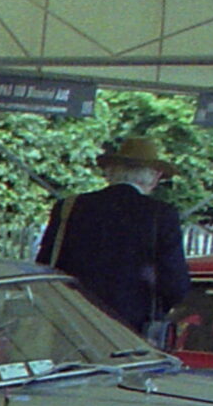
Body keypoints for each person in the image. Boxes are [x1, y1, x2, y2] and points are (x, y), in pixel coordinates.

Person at [36, 135, 192, 338]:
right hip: (129, 328)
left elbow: (45, 265)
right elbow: (174, 283)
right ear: (154, 176)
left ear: (110, 172)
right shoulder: (160, 215)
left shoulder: (69, 207)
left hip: (71, 322)